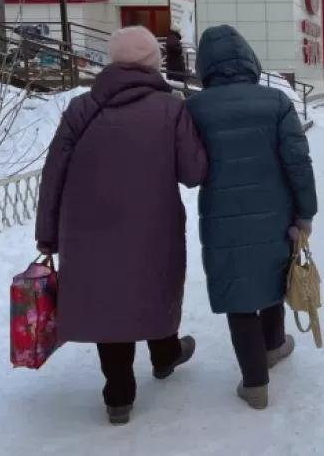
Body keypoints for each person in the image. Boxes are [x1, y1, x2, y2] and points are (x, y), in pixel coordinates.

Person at [35, 26, 208, 425]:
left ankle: (118, 395)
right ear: (154, 63)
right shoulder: (171, 108)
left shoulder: (82, 108)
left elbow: (53, 174)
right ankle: (165, 355)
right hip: (154, 225)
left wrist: (47, 234)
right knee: (153, 286)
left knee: (108, 300)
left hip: (87, 229)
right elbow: (194, 172)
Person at [185, 25, 318, 411]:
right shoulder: (276, 102)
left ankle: (255, 382)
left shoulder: (193, 108)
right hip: (274, 210)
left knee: (238, 291)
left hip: (221, 215)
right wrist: (305, 211)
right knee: (274, 273)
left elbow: (188, 167)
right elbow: (298, 163)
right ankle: (274, 344)